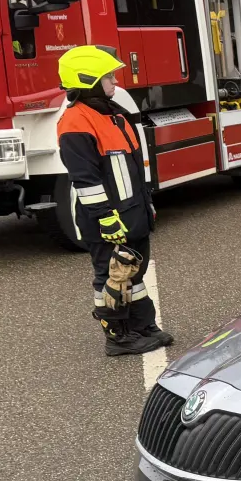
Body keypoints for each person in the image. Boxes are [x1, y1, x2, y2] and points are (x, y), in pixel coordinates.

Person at [55, 45, 172, 356]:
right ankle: (118, 337)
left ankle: (142, 326)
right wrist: (106, 217)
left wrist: (145, 208)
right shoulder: (76, 121)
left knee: (134, 275)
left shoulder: (114, 116)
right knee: (112, 277)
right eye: (108, 76)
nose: (114, 82)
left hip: (132, 214)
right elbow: (86, 179)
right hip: (108, 220)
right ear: (88, 79)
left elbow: (131, 172)